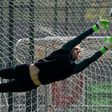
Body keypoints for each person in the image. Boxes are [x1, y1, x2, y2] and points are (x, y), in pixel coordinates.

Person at [0, 19, 111, 92]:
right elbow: (79, 38)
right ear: (71, 49)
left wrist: (105, 48)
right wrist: (95, 27)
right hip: (24, 70)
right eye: (76, 48)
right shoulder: (63, 51)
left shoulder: (73, 68)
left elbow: (90, 60)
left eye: (79, 52)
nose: (78, 51)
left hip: (29, 84)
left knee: (2, 88)